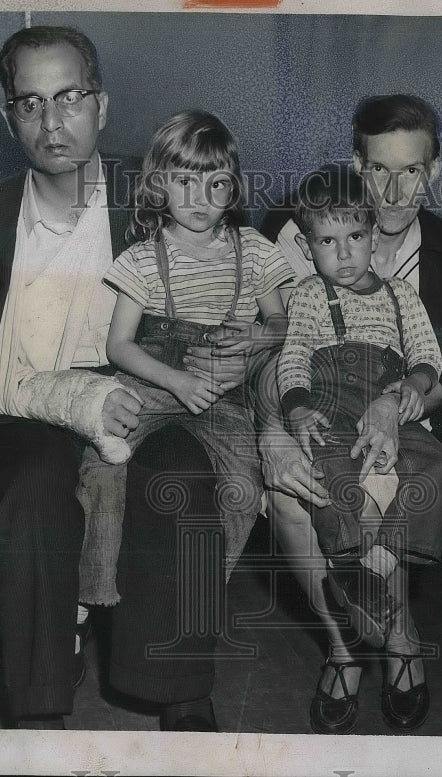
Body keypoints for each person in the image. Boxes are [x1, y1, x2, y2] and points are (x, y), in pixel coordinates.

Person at [0, 26, 225, 731]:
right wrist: (78, 396)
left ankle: (181, 693)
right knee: (35, 483)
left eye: (69, 98)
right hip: (20, 417)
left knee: (181, 470)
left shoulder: (159, 204)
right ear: (9, 118)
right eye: (30, 104)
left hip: (140, 403)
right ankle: (40, 706)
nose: (52, 123)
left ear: (103, 105)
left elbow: (220, 308)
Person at [257, 94, 442, 734]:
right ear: (357, 163)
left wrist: (396, 405)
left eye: (411, 170)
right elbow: (271, 345)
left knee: (394, 477)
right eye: (377, 169)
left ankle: (390, 635)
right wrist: (277, 423)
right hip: (313, 407)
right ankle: (349, 647)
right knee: (291, 489)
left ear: (433, 170)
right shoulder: (299, 230)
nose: (393, 188)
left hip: (414, 412)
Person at [77, 110, 293, 608]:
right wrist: (176, 382)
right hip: (153, 375)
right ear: (159, 185)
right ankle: (91, 592)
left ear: (233, 189)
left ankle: (201, 591)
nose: (201, 199)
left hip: (226, 388)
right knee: (104, 452)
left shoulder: (254, 250)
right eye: (185, 182)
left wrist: (257, 339)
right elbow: (119, 346)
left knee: (244, 479)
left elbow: (282, 325)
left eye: (217, 184)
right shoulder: (141, 257)